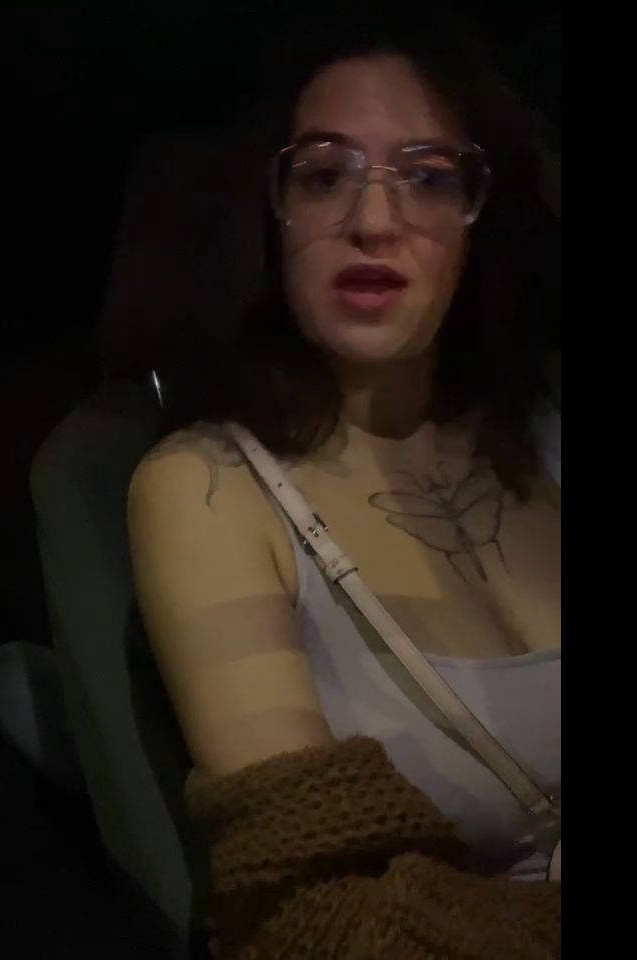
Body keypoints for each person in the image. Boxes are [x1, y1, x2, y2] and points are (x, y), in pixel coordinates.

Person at [128, 12, 560, 958]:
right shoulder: (205, 490)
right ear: (271, 215)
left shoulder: (545, 436)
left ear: (480, 221)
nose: (372, 221)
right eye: (324, 175)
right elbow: (317, 919)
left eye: (428, 177)